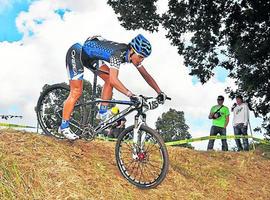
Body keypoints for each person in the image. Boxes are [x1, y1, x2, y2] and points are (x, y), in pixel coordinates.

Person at [59, 34, 167, 140]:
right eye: (140, 57)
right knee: (77, 91)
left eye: (143, 58)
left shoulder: (130, 55)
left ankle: (102, 112)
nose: (141, 60)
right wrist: (130, 94)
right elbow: (114, 80)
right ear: (133, 51)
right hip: (77, 53)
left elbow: (146, 75)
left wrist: (159, 92)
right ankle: (64, 127)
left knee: (108, 78)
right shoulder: (118, 54)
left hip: (92, 57)